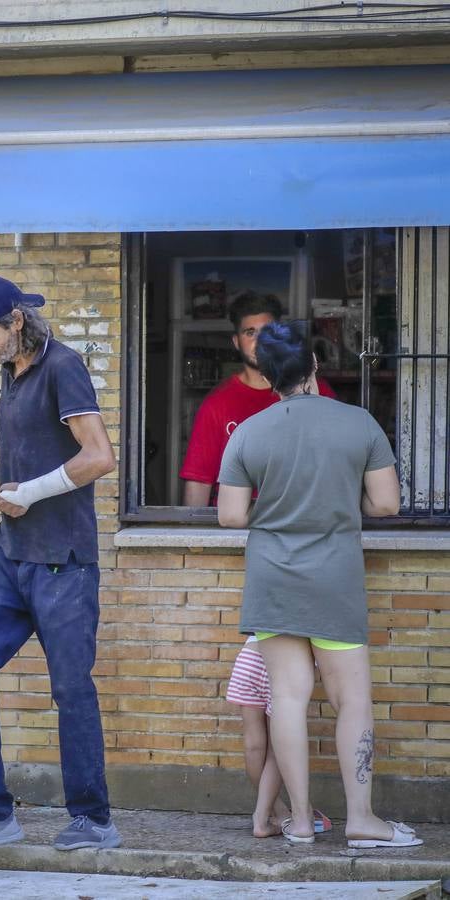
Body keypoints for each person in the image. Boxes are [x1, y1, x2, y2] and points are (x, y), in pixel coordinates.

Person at [0, 275, 121, 852]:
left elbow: (99, 456)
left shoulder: (63, 367)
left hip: (63, 559)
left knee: (70, 688)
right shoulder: (10, 375)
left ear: (16, 321)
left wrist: (31, 493)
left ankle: (92, 819)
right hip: (10, 555)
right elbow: (21, 458)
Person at [218, 320, 422, 848]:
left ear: (267, 374)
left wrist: (280, 505)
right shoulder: (359, 424)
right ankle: (361, 820)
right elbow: (385, 504)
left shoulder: (249, 433)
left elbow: (232, 517)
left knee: (287, 699)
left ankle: (302, 822)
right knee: (351, 699)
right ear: (313, 366)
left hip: (273, 581)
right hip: (334, 579)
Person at [180, 292, 336, 506]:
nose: (260, 341)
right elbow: (199, 481)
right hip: (234, 528)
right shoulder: (217, 403)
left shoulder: (316, 391)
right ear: (236, 341)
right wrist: (195, 536)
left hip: (301, 522)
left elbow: (337, 463)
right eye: (250, 332)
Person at [226, 636, 332, 838]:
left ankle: (277, 813)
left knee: (253, 746)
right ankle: (263, 816)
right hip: (285, 666)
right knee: (279, 749)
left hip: (249, 657)